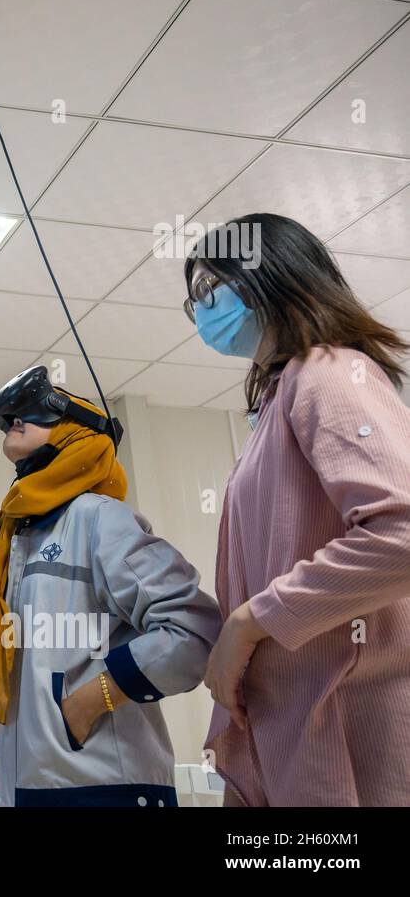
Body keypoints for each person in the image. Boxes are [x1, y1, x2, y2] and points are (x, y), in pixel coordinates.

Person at [186, 212, 410, 806]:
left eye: (210, 290)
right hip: (290, 724)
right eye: (194, 303)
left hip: (343, 722)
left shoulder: (330, 372)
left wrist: (250, 623)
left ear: (274, 274)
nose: (201, 312)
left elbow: (402, 532)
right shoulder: (282, 398)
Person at [0, 366, 221, 806]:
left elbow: (192, 630)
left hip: (104, 785)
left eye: (40, 413)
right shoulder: (14, 540)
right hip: (25, 787)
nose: (16, 421)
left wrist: (89, 702)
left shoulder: (99, 517)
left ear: (80, 436)